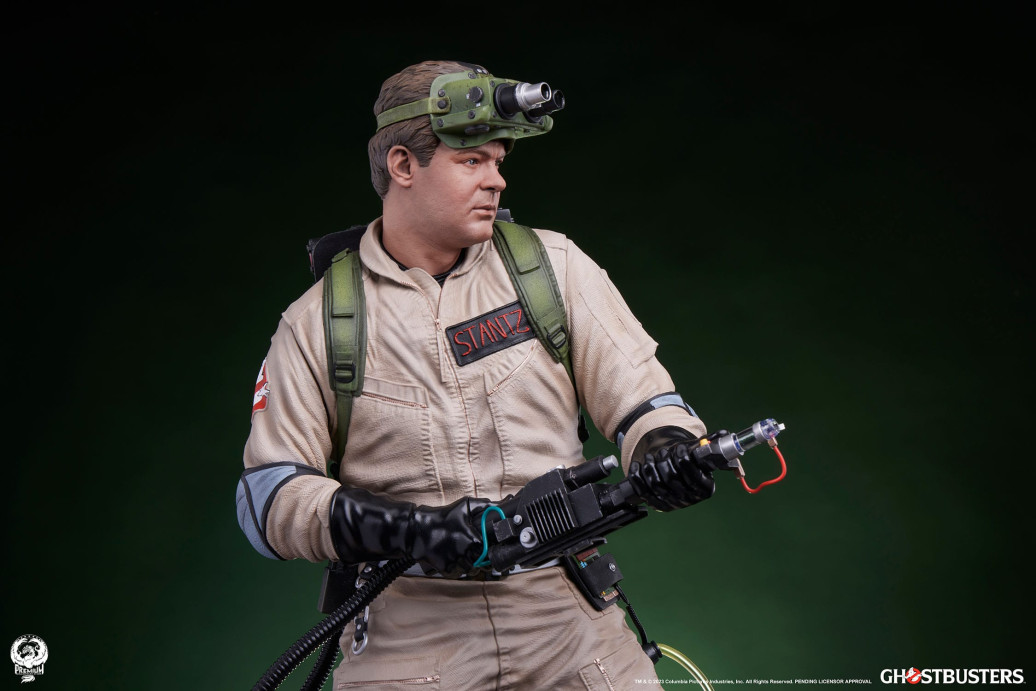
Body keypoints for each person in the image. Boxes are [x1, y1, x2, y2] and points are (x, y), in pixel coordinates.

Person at [237, 59, 716, 690]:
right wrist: (412, 530)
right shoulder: (318, 324)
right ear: (403, 166)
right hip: (410, 644)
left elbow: (645, 401)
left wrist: (665, 447)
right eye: (471, 161)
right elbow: (269, 499)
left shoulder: (552, 270)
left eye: (498, 160)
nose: (496, 179)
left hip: (570, 627)